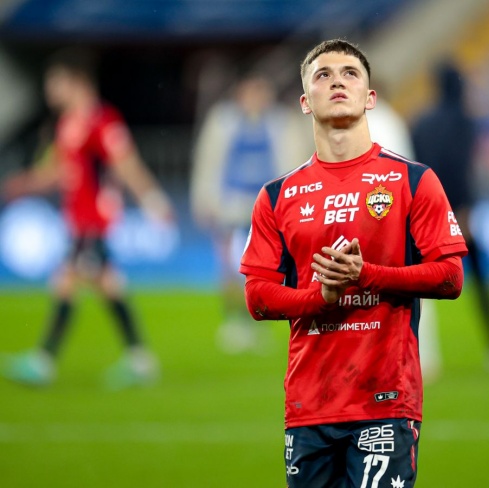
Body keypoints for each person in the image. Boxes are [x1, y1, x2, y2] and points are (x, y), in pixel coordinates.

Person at [239, 39, 467, 487]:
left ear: (370, 97)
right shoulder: (277, 196)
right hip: (308, 406)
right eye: (323, 75)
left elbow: (451, 277)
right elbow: (257, 297)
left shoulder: (413, 180)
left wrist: (368, 276)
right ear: (305, 102)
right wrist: (321, 298)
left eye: (350, 73)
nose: (337, 81)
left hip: (385, 401)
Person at [1, 49, 173, 389]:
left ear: (76, 82)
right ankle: (140, 360)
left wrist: (151, 199)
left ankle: (44, 361)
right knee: (107, 285)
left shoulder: (102, 120)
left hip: (95, 219)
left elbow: (126, 164)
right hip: (78, 219)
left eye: (55, 81)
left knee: (66, 282)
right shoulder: (67, 124)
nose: (50, 89)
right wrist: (23, 185)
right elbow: (58, 171)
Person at [412, 61, 489, 376]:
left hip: (421, 212)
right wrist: (462, 210)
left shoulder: (420, 122)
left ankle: (412, 353)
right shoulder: (463, 121)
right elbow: (458, 168)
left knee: (414, 285)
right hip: (453, 213)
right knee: (480, 279)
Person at [191, 71, 306, 353]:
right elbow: (208, 160)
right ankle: (234, 321)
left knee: (265, 270)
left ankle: (258, 321)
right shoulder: (223, 121)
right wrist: (203, 199)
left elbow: (295, 164)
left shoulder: (281, 123)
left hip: (265, 208)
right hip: (230, 204)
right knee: (229, 267)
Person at [365, 85, 443, 383]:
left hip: (385, 220)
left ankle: (403, 359)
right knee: (413, 289)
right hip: (404, 214)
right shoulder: (391, 120)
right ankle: (422, 357)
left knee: (385, 294)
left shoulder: (374, 123)